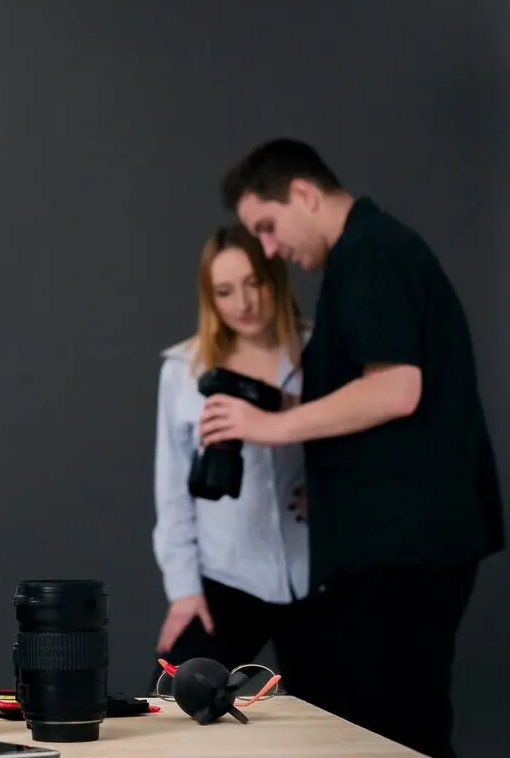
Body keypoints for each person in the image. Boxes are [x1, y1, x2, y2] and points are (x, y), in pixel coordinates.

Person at [204, 137, 505, 758]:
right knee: (384, 726)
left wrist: (270, 428)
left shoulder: (370, 252)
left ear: (305, 194)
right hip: (392, 546)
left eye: (266, 225)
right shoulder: (362, 259)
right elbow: (370, 400)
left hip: (405, 553)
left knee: (397, 731)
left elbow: (396, 389)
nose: (267, 247)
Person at [151, 224, 309, 692]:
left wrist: (336, 494)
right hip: (228, 571)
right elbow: (173, 491)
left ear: (275, 279)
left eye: (254, 283)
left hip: (318, 571)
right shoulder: (184, 370)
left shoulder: (319, 352)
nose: (243, 303)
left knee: (348, 719)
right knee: (178, 703)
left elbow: (363, 446)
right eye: (224, 291)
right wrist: (184, 591)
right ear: (209, 297)